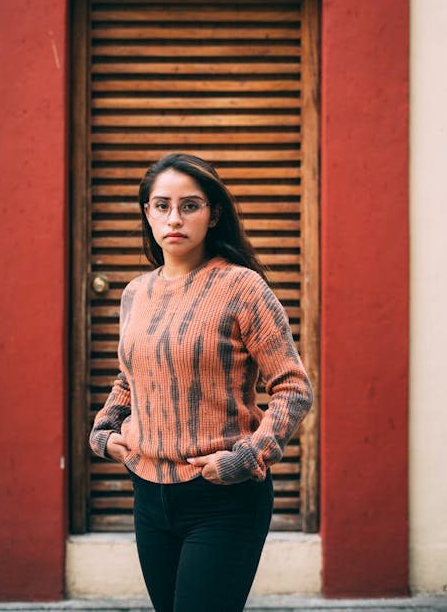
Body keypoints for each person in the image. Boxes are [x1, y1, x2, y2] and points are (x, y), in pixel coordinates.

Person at [90, 153, 313, 612]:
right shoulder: (135, 293)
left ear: (213, 215)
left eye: (190, 205)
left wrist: (248, 456)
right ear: (146, 214)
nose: (175, 217)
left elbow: (293, 387)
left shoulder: (242, 288)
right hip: (148, 493)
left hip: (223, 497)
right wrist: (104, 430)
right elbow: (129, 378)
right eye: (161, 205)